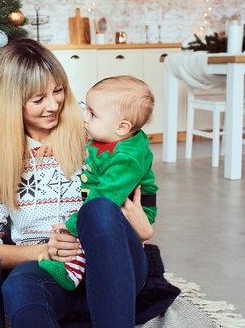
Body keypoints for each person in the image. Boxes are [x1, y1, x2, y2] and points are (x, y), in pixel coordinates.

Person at [0, 38, 155, 327]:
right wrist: (46, 251)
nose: (54, 105)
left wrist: (143, 230)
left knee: (98, 209)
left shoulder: (91, 124)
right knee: (17, 287)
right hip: (53, 272)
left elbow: (134, 172)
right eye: (38, 99)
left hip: (115, 268)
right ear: (10, 104)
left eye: (58, 91)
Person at [39, 75, 158, 291]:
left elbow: (106, 197)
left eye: (92, 114)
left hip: (126, 210)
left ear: (122, 127)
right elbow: (74, 122)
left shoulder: (126, 159)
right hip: (108, 206)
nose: (85, 118)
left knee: (94, 227)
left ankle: (73, 273)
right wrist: (51, 137)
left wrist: (72, 224)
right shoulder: (112, 134)